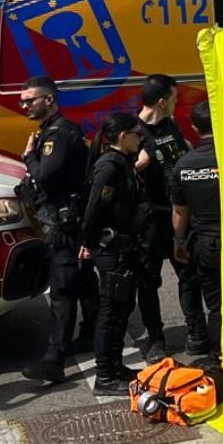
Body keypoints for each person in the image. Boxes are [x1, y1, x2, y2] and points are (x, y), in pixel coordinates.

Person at [19, 76, 95, 385]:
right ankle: (93, 334)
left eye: (30, 100)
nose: (24, 105)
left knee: (63, 289)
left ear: (49, 100)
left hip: (64, 221)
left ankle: (55, 359)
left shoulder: (59, 133)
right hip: (64, 218)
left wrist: (29, 156)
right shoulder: (48, 132)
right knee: (84, 280)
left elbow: (46, 177)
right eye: (23, 100)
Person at [134, 74, 206, 360]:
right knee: (148, 279)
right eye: (174, 98)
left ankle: (197, 331)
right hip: (151, 216)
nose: (177, 103)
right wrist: (139, 162)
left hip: (178, 212)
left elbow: (180, 152)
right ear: (162, 101)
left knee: (188, 273)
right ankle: (155, 338)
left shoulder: (171, 125)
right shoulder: (134, 131)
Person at [82, 112, 149, 396]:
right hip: (111, 250)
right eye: (137, 134)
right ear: (123, 136)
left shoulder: (122, 164)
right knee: (110, 313)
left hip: (123, 247)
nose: (140, 139)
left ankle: (116, 365)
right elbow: (94, 211)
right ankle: (105, 376)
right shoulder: (109, 168)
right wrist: (89, 242)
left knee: (121, 311)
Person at [171, 99, 223, 400]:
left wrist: (179, 242)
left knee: (215, 304)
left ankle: (219, 357)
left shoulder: (184, 164)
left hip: (205, 242)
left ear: (193, 128)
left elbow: (180, 211)